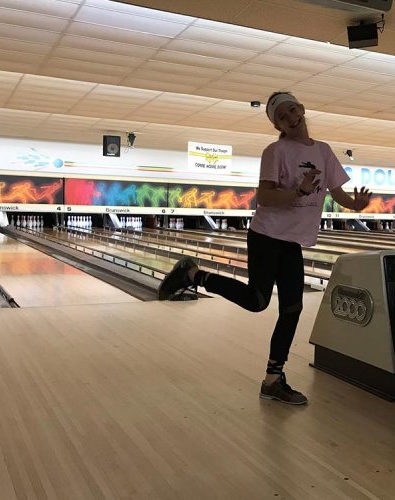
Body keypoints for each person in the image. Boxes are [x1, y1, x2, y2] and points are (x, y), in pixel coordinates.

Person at [158, 91, 371, 405]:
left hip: (291, 242)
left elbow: (334, 190)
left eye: (292, 110)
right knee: (257, 301)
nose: (291, 117)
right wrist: (298, 191)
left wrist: (355, 205)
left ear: (301, 108)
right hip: (267, 235)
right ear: (278, 126)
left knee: (292, 309)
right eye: (282, 116)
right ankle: (193, 275)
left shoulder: (324, 151)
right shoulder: (275, 151)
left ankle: (273, 380)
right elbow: (266, 198)